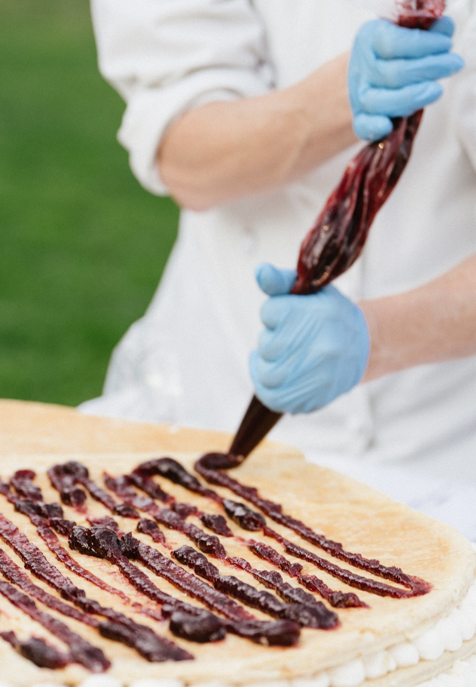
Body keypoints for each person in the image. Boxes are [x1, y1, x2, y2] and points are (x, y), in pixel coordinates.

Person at [83, 0, 476, 486]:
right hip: (211, 392)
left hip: (451, 446)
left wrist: (381, 337)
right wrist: (335, 98)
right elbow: (184, 158)